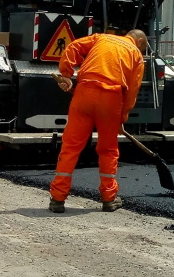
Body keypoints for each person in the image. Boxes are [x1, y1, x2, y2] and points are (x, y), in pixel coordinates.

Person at [49, 29, 148, 213]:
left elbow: (73, 46)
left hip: (84, 92)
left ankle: (57, 199)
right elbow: (133, 90)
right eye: (143, 47)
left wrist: (66, 74)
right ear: (140, 41)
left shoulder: (101, 38)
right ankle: (109, 199)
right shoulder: (136, 55)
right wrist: (123, 116)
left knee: (71, 146)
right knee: (108, 149)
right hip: (112, 99)